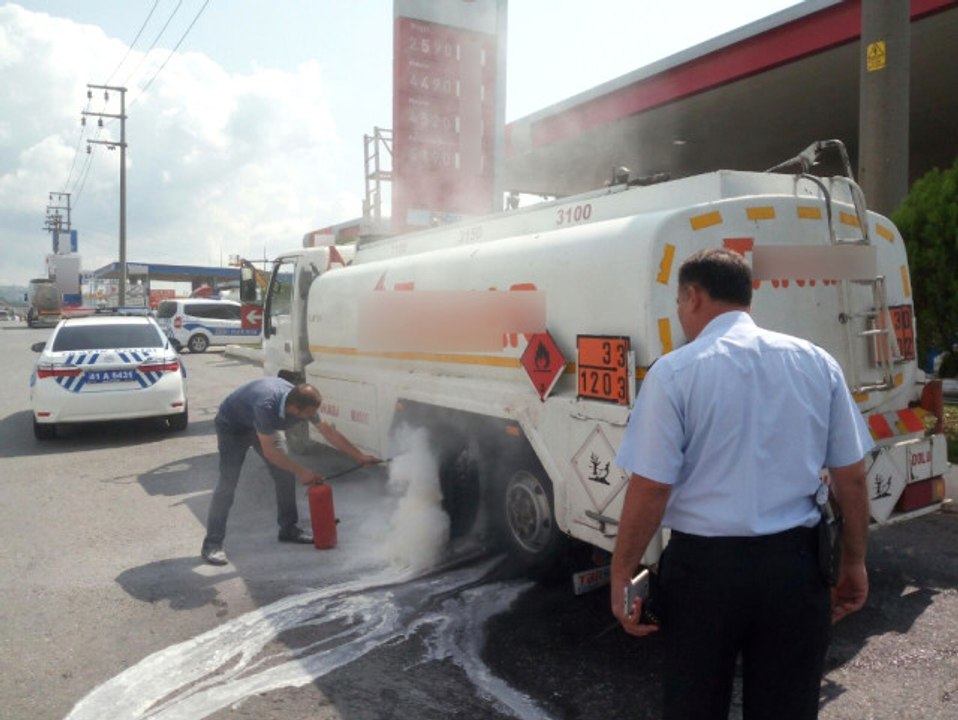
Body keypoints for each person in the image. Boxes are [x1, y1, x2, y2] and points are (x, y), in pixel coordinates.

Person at [610, 248, 873, 719]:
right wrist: (854, 561)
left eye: (678, 303)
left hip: (703, 575)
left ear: (693, 296)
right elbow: (851, 477)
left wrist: (621, 572)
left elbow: (651, 488)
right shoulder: (815, 362)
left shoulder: (675, 373)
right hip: (795, 570)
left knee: (694, 706)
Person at [201, 378, 379, 566]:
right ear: (294, 409)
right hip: (233, 428)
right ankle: (212, 543)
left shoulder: (302, 400)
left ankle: (288, 529)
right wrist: (302, 472)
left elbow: (327, 431)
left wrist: (359, 456)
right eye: (308, 415)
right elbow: (270, 452)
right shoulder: (266, 405)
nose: (310, 417)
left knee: (284, 474)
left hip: (260, 427)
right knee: (228, 483)